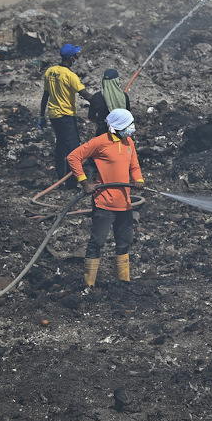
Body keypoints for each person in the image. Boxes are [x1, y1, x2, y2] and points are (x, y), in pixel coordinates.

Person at [66, 108, 145, 288]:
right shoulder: (100, 142)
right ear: (116, 126)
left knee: (124, 242)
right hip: (104, 202)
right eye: (127, 125)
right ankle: (89, 285)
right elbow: (73, 157)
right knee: (97, 242)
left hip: (124, 203)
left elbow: (134, 167)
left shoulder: (129, 142)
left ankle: (123, 283)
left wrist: (138, 180)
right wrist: (85, 183)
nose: (131, 128)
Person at [39, 43, 93, 187]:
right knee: (73, 150)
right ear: (71, 58)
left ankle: (59, 177)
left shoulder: (50, 71)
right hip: (66, 116)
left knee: (61, 146)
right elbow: (86, 95)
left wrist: (41, 116)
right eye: (76, 55)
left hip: (54, 116)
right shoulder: (70, 76)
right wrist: (102, 101)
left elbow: (45, 95)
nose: (77, 57)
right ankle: (70, 182)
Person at [88, 68, 131, 136]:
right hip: (120, 134)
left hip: (102, 133)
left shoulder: (96, 97)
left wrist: (101, 122)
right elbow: (128, 115)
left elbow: (91, 116)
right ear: (116, 81)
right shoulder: (124, 97)